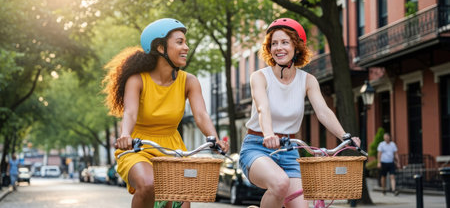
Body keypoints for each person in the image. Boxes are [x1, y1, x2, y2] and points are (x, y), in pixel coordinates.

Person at [103, 18, 229, 208]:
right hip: (138, 147)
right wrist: (125, 135)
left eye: (186, 42)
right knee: (148, 184)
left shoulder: (189, 81)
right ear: (161, 48)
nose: (186, 47)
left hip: (172, 149)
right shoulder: (137, 80)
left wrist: (214, 138)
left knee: (182, 203)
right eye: (179, 42)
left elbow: (201, 115)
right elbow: (129, 113)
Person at [238, 18, 361, 208]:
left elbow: (323, 112)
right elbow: (263, 108)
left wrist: (345, 136)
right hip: (258, 147)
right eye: (274, 43)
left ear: (296, 47)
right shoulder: (260, 77)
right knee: (280, 184)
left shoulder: (308, 80)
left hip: (289, 150)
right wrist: (269, 134)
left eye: (285, 42)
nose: (279, 48)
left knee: (302, 206)